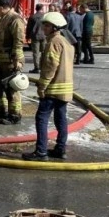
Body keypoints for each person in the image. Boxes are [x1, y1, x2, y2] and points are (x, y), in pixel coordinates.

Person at [23, 12, 74, 161]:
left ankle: (41, 152)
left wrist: (42, 86)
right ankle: (60, 149)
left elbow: (50, 67)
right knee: (61, 119)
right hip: (65, 89)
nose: (44, 28)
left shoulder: (53, 42)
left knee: (42, 118)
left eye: (47, 25)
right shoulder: (66, 41)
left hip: (52, 88)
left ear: (54, 27)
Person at [0, 0, 26, 125]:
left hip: (10, 61)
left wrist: (17, 59)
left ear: (1, 8)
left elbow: (18, 41)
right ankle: (1, 111)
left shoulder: (15, 20)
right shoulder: (4, 18)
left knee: (12, 89)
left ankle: (14, 114)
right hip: (0, 61)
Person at [26, 4, 46, 73]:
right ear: (42, 8)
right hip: (44, 36)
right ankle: (43, 66)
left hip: (35, 36)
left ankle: (37, 68)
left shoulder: (32, 17)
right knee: (44, 52)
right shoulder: (45, 16)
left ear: (35, 9)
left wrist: (27, 36)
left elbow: (28, 28)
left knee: (36, 53)